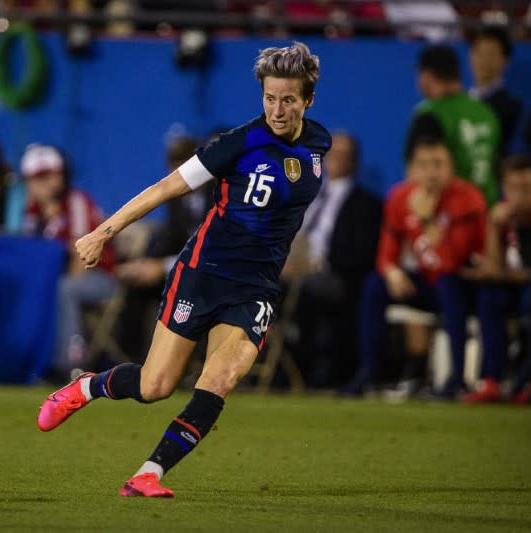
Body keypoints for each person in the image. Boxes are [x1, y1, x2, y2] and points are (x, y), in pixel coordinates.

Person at [37, 42, 331, 497]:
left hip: (255, 288)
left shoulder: (318, 144)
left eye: (288, 99)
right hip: (202, 273)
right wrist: (102, 233)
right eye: (270, 98)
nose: (277, 109)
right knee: (155, 386)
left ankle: (148, 473)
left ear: (308, 100)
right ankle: (85, 389)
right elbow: (165, 188)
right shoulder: (238, 143)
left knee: (220, 378)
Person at [343, 136, 487, 398]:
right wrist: (392, 271)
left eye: (438, 164)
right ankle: (370, 374)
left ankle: (456, 380)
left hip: (467, 288)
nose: (430, 172)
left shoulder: (468, 199)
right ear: (411, 168)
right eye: (423, 164)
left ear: (451, 167)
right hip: (429, 285)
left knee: (448, 283)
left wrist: (427, 219)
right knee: (375, 284)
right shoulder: (400, 197)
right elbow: (386, 254)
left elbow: (452, 262)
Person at [285, 131, 382, 387]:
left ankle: (306, 368)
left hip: (333, 274)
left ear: (354, 162)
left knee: (304, 288)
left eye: (343, 155)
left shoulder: (367, 204)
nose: (336, 160)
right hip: (290, 266)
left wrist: (312, 266)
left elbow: (361, 253)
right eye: (332, 154)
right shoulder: (306, 195)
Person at [21, 143, 116, 378]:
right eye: (38, 177)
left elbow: (81, 259)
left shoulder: (76, 202)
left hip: (101, 277)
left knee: (65, 290)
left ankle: (71, 363)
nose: (45, 183)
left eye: (50, 175)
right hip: (58, 280)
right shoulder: (31, 210)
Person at [115, 135, 212, 361]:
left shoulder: (221, 195)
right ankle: (131, 364)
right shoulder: (175, 200)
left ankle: (188, 366)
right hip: (182, 272)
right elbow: (170, 240)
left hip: (210, 275)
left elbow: (211, 249)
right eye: (174, 170)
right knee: (137, 289)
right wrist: (144, 265)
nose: (179, 178)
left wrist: (160, 267)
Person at [463, 155, 531, 403]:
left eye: (526, 189)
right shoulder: (500, 215)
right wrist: (494, 228)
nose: (518, 196)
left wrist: (514, 275)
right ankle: (492, 381)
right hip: (515, 288)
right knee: (489, 296)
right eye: (512, 188)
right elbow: (494, 270)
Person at [406, 44, 500, 206]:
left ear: (428, 76)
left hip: (452, 213)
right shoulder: (486, 112)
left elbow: (419, 170)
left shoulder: (430, 113)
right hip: (488, 207)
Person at [468, 26, 522, 157]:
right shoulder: (459, 103)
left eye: (491, 54)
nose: (484, 61)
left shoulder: (512, 107)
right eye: (479, 53)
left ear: (505, 61)